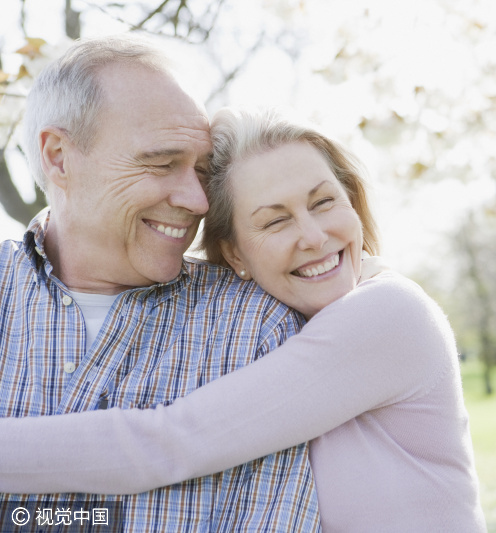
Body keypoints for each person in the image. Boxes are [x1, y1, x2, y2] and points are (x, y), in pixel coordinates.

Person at [0, 108, 487, 532]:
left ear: (353, 203)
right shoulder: (275, 321)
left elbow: (170, 441)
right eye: (276, 221)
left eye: (324, 202)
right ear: (234, 254)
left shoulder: (388, 314)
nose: (315, 237)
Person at [0, 36, 320, 531]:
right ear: (59, 157)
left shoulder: (257, 329)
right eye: (161, 162)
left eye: (202, 170)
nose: (197, 200)